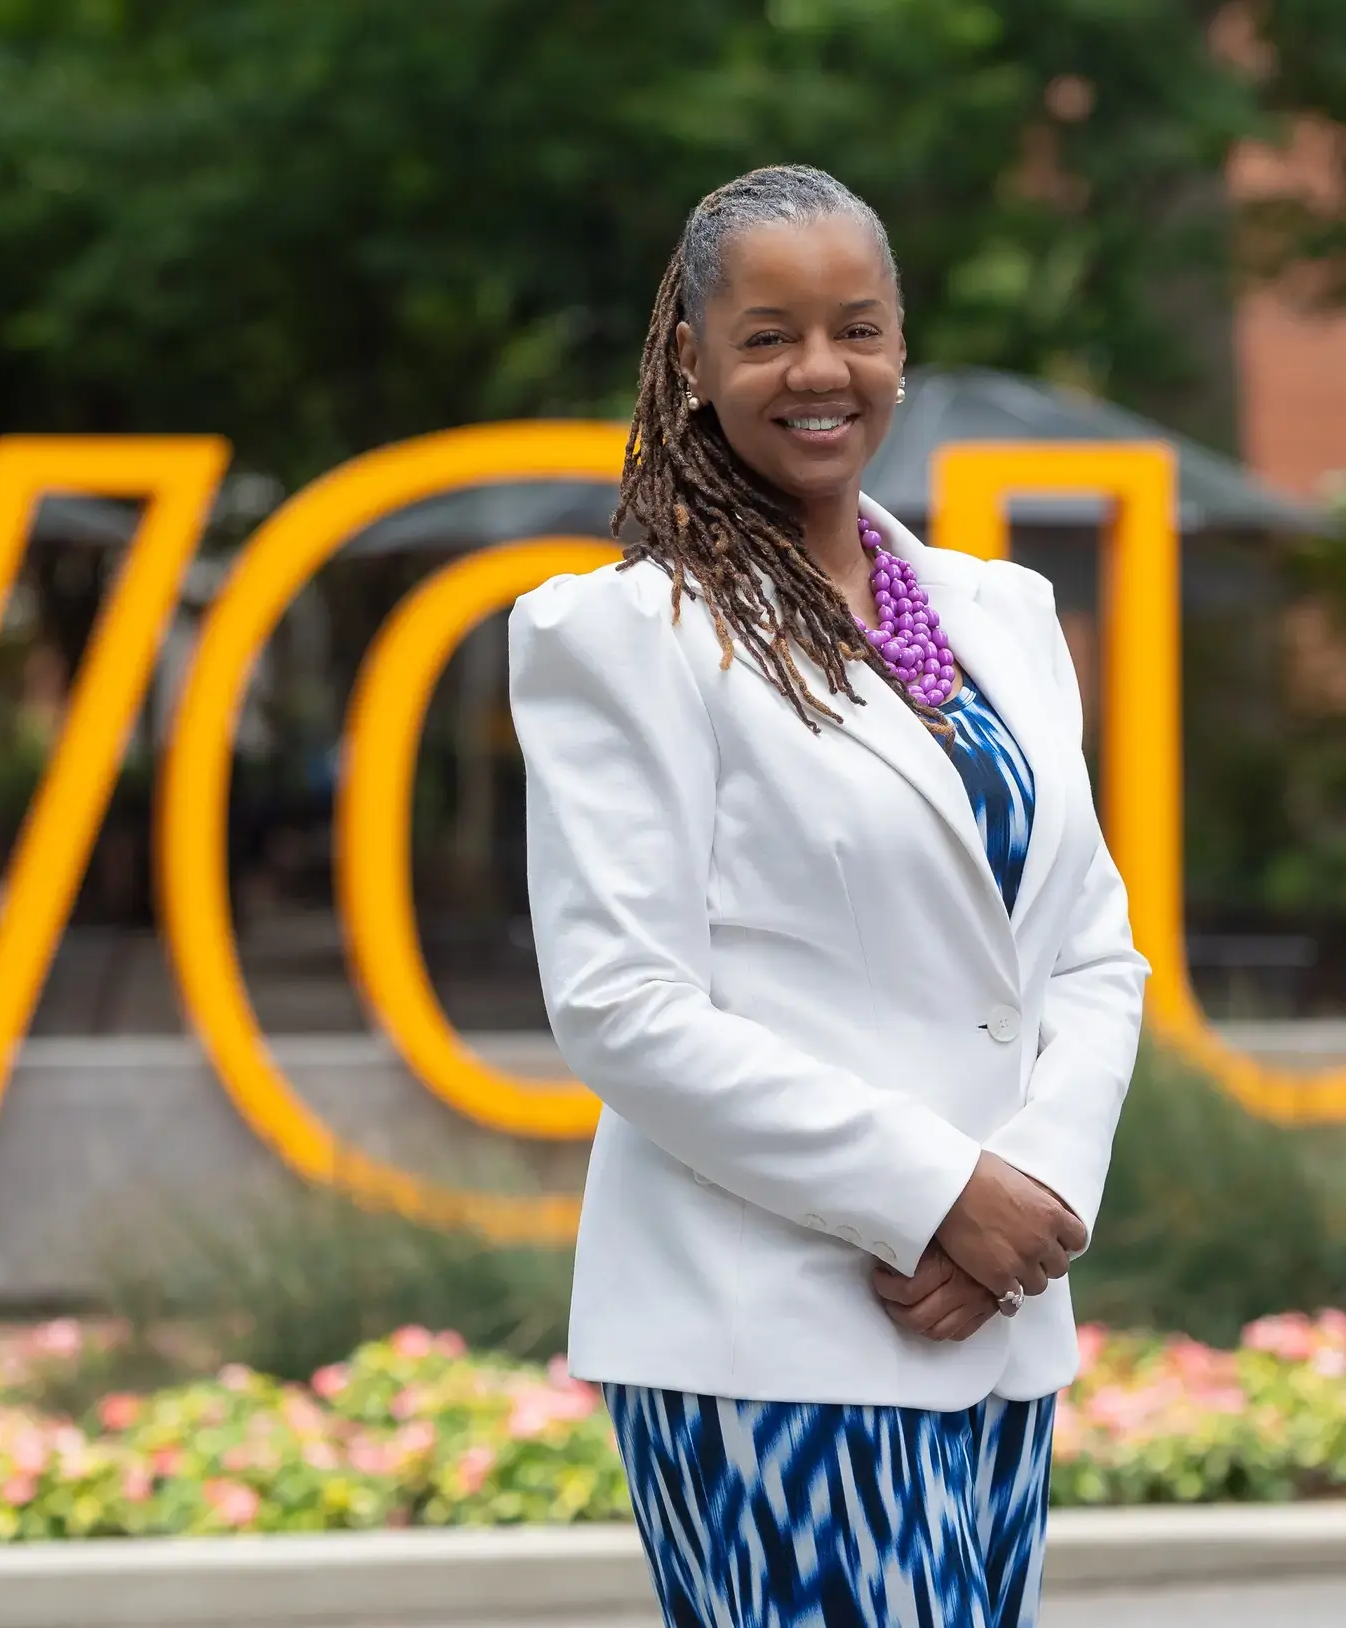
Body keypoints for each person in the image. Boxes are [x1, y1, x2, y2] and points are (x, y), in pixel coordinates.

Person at [509, 165, 1148, 1628]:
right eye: (770, 334)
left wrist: (1034, 1198)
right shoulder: (625, 636)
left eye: (856, 329)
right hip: (767, 1340)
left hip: (993, 1328)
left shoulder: (1004, 619)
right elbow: (622, 1007)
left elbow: (1092, 953)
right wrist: (934, 1195)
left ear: (900, 346)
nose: (819, 371)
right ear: (692, 359)